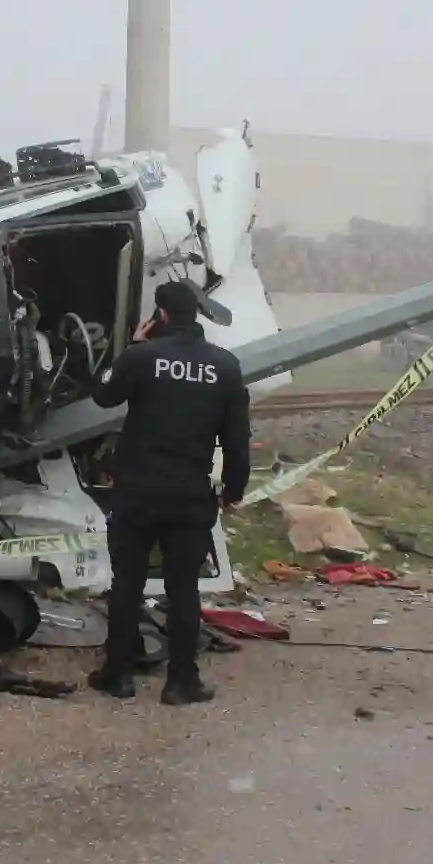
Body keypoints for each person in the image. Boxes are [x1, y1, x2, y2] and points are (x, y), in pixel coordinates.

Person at [88, 280, 252, 705]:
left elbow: (103, 393)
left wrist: (129, 347)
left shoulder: (142, 357)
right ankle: (182, 681)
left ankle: (118, 675)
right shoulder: (226, 366)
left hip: (137, 494)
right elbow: (236, 441)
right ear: (195, 314)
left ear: (159, 316)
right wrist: (233, 490)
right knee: (183, 589)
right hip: (189, 496)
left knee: (127, 585)